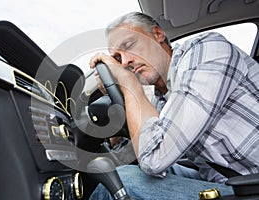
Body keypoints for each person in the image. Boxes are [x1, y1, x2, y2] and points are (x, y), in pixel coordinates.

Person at [89, 11, 259, 199]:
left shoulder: (205, 52)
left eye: (129, 45)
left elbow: (153, 159)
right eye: (118, 59)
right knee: (129, 171)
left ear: (157, 34)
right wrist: (118, 103)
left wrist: (130, 86)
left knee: (123, 181)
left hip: (251, 184)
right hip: (223, 180)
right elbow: (145, 154)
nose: (126, 62)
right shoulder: (161, 100)